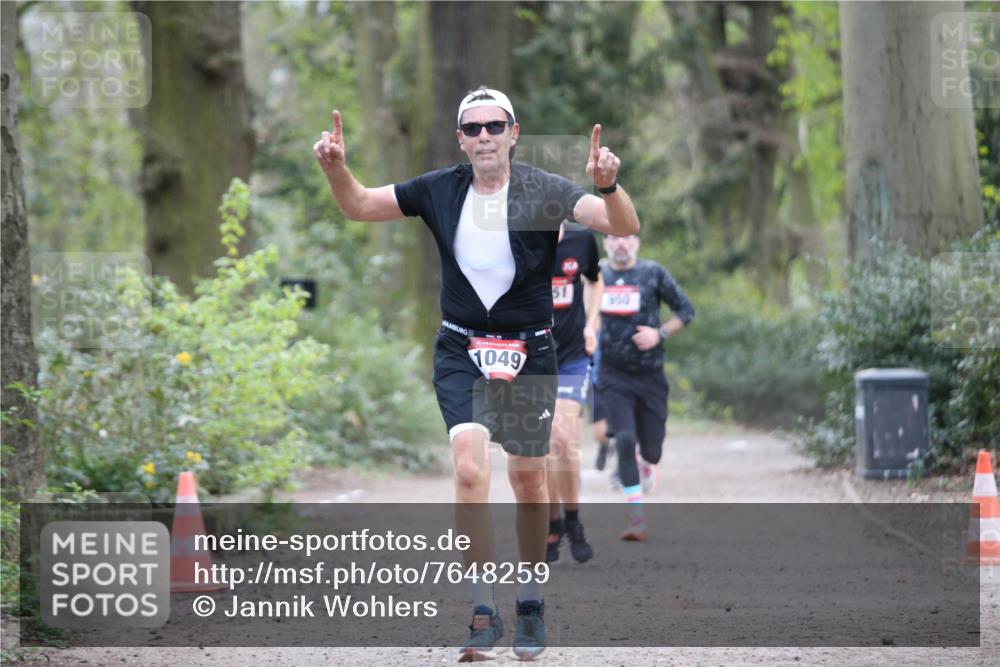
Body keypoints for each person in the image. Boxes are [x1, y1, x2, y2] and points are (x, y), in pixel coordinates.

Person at [313, 86, 640, 661]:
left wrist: (608, 185)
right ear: (459, 139)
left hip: (529, 348)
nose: (484, 136)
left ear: (514, 133)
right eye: (473, 128)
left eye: (495, 126)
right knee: (468, 469)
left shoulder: (543, 189)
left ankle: (531, 601)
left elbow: (622, 223)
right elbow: (359, 205)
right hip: (461, 347)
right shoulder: (439, 188)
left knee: (528, 479)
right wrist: (337, 169)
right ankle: (483, 611)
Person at [597, 233, 693, 541]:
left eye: (626, 238)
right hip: (613, 374)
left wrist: (659, 334)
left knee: (652, 451)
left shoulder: (652, 273)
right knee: (625, 439)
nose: (620, 244)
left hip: (650, 375)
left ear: (636, 242)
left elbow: (686, 310)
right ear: (606, 243)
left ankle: (647, 463)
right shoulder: (596, 275)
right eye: (614, 238)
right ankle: (636, 518)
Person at [545, 222, 602, 564]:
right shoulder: (517, 239)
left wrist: (591, 326)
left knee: (563, 437)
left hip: (572, 355)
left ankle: (572, 520)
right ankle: (554, 523)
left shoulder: (582, 239)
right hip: (532, 356)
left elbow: (595, 280)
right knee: (546, 447)